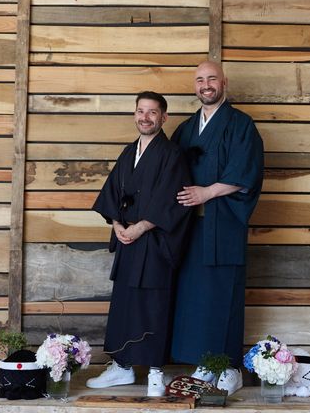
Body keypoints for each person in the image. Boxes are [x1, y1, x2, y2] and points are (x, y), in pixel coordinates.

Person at [86, 91, 192, 396]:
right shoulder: (127, 152)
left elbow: (173, 199)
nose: (145, 117)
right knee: (124, 306)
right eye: (141, 111)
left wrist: (141, 227)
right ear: (135, 114)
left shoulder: (171, 154)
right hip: (128, 242)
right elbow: (112, 196)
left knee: (154, 306)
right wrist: (119, 226)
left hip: (155, 243)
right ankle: (122, 367)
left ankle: (156, 372)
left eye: (152, 112)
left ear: (164, 117)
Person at [171, 61, 264, 395]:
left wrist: (207, 192)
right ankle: (204, 363)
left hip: (223, 224)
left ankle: (230, 368)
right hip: (190, 229)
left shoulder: (241, 125)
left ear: (224, 83)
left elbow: (247, 174)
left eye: (211, 78)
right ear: (194, 86)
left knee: (224, 295)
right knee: (195, 296)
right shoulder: (185, 128)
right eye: (200, 80)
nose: (206, 84)